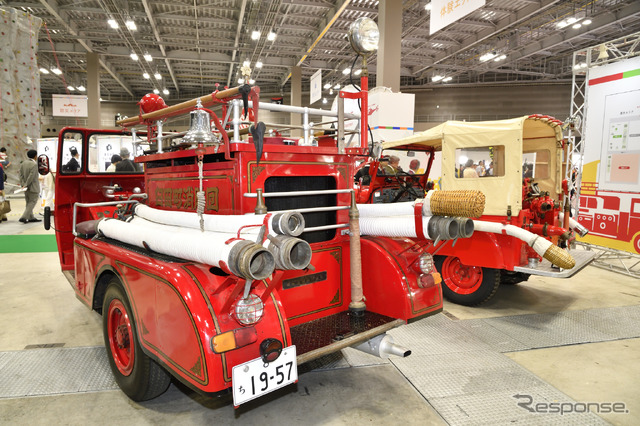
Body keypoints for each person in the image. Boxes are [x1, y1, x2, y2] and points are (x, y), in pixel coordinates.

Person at [18, 149, 41, 223]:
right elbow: (31, 176)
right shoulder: (34, 165)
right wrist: (26, 184)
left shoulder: (23, 163)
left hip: (25, 188)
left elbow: (20, 175)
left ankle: (31, 217)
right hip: (33, 187)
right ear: (35, 156)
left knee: (28, 202)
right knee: (32, 202)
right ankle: (24, 217)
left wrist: (23, 185)